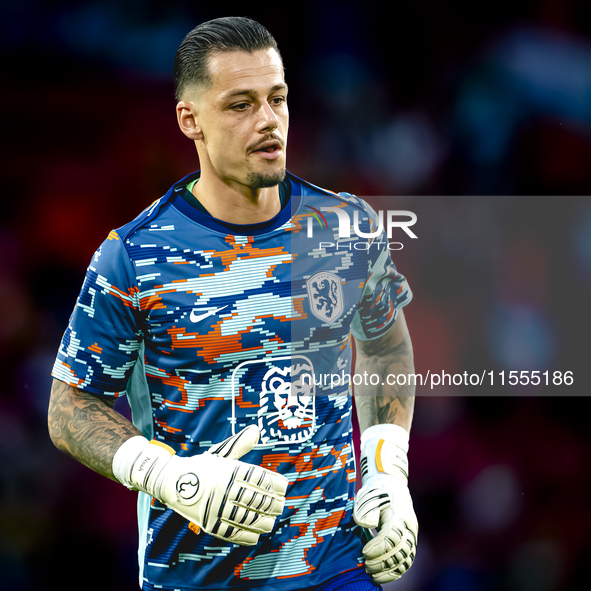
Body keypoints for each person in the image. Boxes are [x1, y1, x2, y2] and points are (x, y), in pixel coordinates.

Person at [48, 16, 418, 591]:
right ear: (188, 119)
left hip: (338, 569)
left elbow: (386, 348)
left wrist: (389, 471)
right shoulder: (134, 256)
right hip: (196, 578)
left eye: (278, 99)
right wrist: (167, 475)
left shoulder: (347, 227)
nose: (268, 121)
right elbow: (69, 407)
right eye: (240, 104)